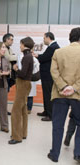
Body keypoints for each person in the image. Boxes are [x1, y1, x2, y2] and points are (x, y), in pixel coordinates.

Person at [47, 27, 80, 163]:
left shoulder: (58, 52)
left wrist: (63, 86)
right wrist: (73, 88)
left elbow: (54, 72)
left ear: (69, 37)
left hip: (60, 94)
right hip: (77, 95)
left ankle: (55, 154)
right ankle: (78, 154)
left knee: (58, 125)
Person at [9, 37, 34, 145]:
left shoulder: (27, 57)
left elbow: (23, 74)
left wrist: (15, 69)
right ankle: (23, 133)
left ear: (24, 44)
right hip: (25, 84)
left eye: (20, 44)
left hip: (23, 83)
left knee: (15, 111)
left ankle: (17, 137)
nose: (19, 46)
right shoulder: (29, 56)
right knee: (23, 109)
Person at [33, 32, 60, 121]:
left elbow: (44, 58)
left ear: (48, 37)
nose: (43, 40)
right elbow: (45, 57)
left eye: (44, 38)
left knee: (48, 94)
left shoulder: (53, 47)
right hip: (46, 75)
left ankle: (50, 114)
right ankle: (46, 111)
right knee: (46, 94)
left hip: (48, 76)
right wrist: (38, 56)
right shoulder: (52, 47)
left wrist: (37, 56)